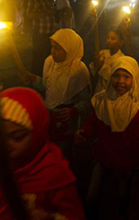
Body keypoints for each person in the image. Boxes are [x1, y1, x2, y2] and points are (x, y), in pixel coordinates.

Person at [0, 87, 87, 220]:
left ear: (37, 133)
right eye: (0, 136)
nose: (6, 144)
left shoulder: (54, 173)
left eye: (17, 137)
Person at [76, 56, 139, 220]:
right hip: (103, 156)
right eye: (117, 76)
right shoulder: (101, 100)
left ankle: (121, 218)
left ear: (135, 79)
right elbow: (94, 123)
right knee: (92, 196)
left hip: (125, 161)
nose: (121, 82)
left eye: (127, 77)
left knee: (122, 194)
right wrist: (84, 132)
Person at [21, 29, 91, 161]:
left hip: (67, 122)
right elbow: (48, 87)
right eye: (52, 47)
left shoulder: (79, 70)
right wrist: (34, 79)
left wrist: (73, 110)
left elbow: (86, 101)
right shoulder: (49, 63)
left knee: (64, 154)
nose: (53, 51)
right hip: (50, 117)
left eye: (58, 48)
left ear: (70, 49)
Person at [27, 0, 58, 75]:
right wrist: (45, 13)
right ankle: (35, 77)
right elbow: (29, 14)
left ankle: (45, 76)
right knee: (38, 57)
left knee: (47, 56)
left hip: (50, 33)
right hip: (39, 35)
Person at [89, 27, 125, 94]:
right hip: (98, 92)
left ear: (121, 42)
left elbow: (116, 78)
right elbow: (94, 73)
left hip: (112, 94)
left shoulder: (122, 59)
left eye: (113, 39)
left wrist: (102, 66)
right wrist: (95, 63)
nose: (109, 40)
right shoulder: (102, 53)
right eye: (108, 38)